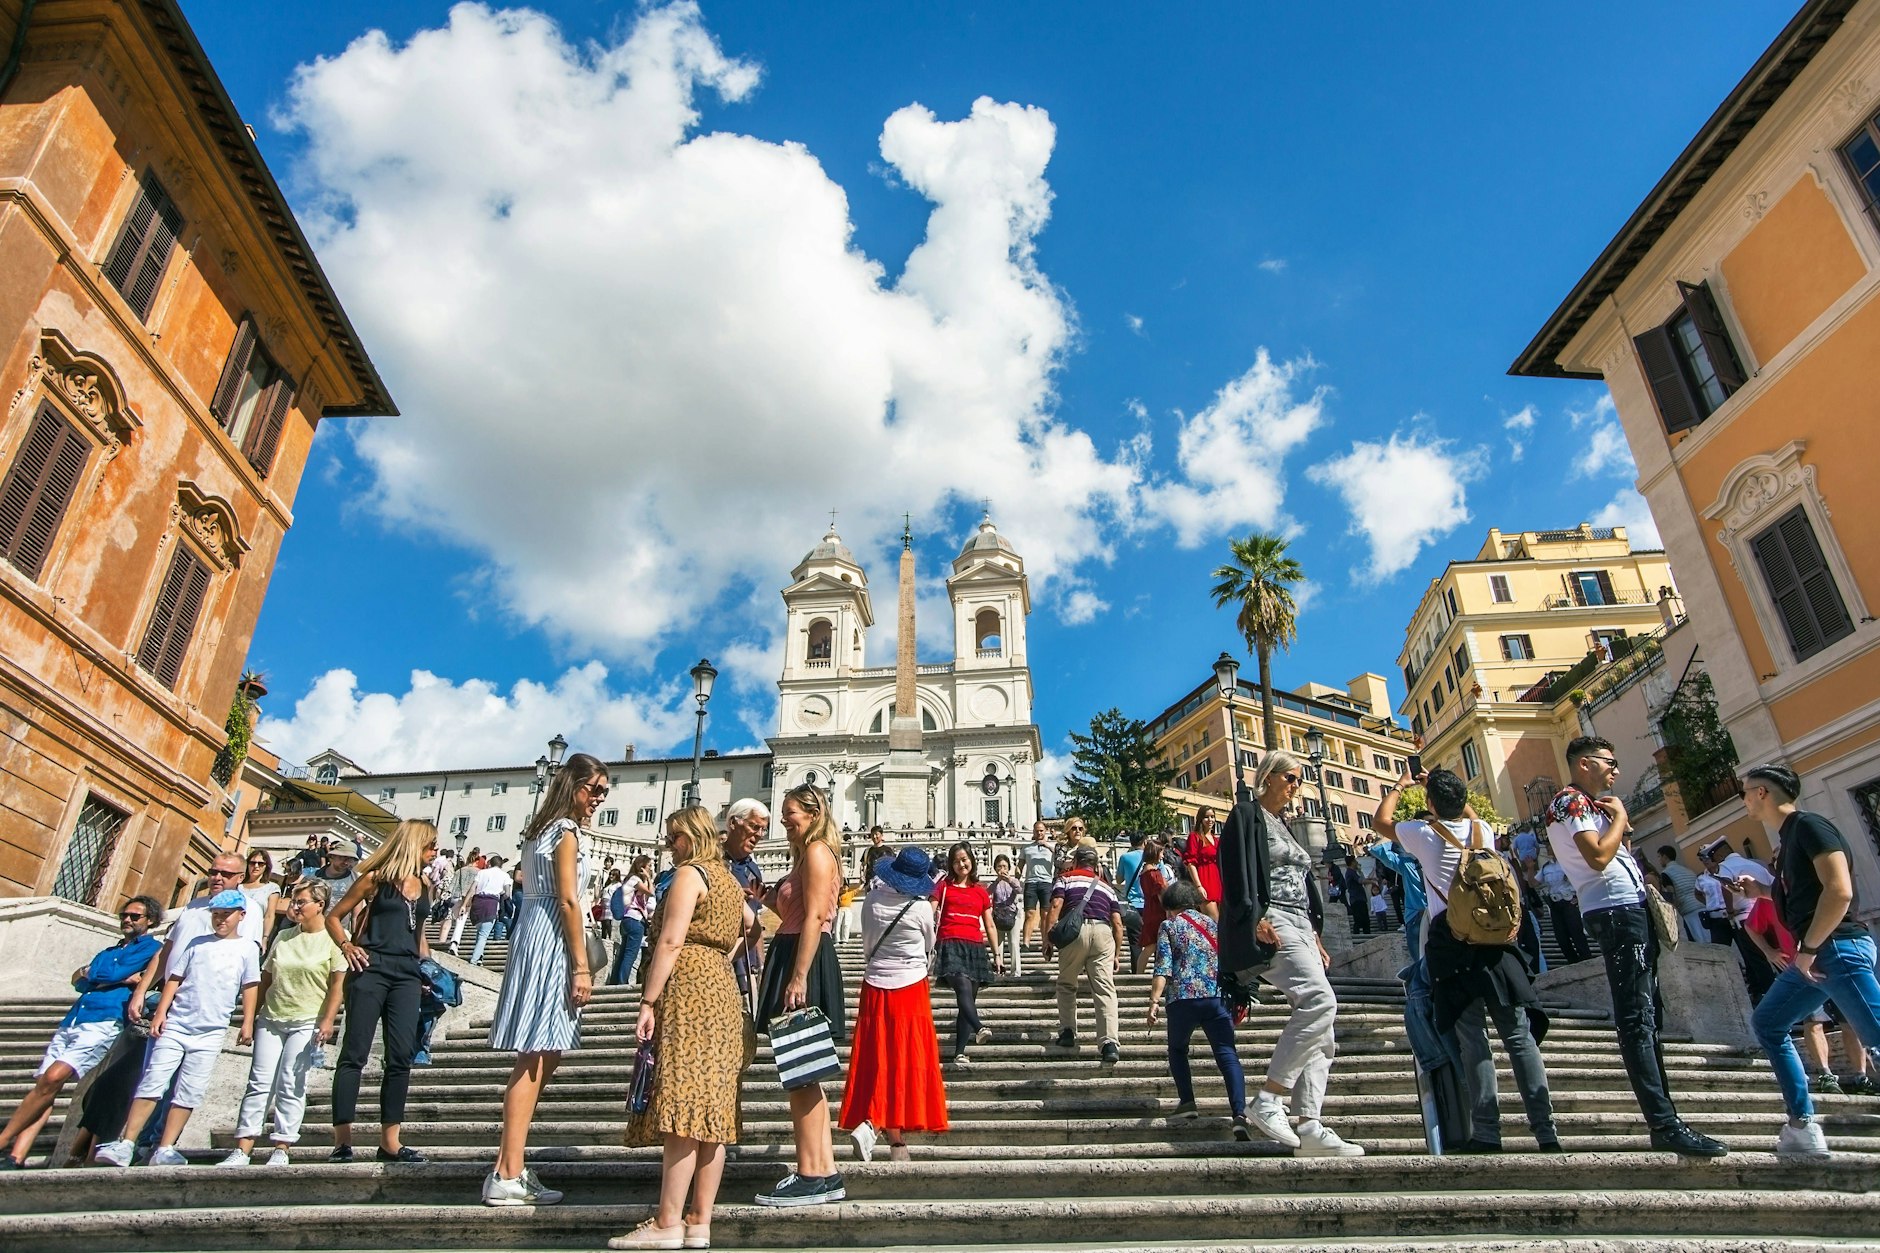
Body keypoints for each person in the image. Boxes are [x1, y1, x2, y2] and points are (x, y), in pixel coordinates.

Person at [1544, 736, 1726, 1157]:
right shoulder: (1569, 803)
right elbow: (1596, 858)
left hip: (1628, 908)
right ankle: (1663, 1122)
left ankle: (1667, 1118)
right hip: (1613, 911)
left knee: (1646, 1013)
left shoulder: (1590, 806)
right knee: (1636, 1016)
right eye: (1611, 762)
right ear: (1585, 764)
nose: (1616, 770)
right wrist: (1622, 819)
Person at [1372, 769, 1560, 1154]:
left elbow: (1381, 822)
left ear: (1430, 805)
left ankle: (1488, 1132)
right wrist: (1443, 790)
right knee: (1519, 1038)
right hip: (1496, 945)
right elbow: (1470, 815)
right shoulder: (1483, 833)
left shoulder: (1423, 835)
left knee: (1474, 1041)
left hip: (1453, 945)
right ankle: (1546, 1131)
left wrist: (1400, 787)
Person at [614, 806, 754, 1249]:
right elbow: (753, 929)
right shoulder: (730, 881)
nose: (669, 844)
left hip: (690, 987)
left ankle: (667, 1222)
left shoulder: (691, 875)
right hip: (723, 990)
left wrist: (648, 1000)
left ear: (690, 837)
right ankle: (699, 1223)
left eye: (674, 836)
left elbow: (672, 940)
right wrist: (724, 953)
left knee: (682, 1102)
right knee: (714, 1109)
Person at [1218, 753, 1361, 1157]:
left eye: (1300, 780)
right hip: (1273, 918)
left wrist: (1315, 933)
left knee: (1324, 1027)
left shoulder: (1285, 825)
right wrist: (1254, 916)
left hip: (1301, 924)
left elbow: (1302, 879)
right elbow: (1234, 871)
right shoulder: (1247, 814)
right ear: (1268, 778)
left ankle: (1310, 1124)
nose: (1297, 786)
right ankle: (1269, 1096)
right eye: (1291, 777)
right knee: (1320, 1001)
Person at [484, 753, 608, 1205]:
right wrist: (580, 965)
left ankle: (507, 1166)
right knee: (536, 1056)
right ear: (571, 784)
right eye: (592, 789)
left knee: (542, 1054)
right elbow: (571, 902)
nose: (596, 799)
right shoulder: (566, 833)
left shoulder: (540, 832)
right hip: (553, 938)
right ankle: (507, 1172)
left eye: (603, 794)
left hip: (535, 931)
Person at [1738, 765, 1880, 1157]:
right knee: (1768, 1023)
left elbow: (1839, 891)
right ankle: (1802, 1127)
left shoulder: (1810, 826)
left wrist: (1809, 948)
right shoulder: (1787, 843)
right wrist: (1762, 891)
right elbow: (1805, 894)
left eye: (1745, 792)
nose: (1744, 799)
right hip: (1818, 955)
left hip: (1835, 949)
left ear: (1763, 793)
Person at [93, 890, 258, 1167]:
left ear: (241, 916)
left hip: (211, 1030)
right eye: (216, 914)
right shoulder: (197, 943)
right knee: (153, 1080)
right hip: (178, 1024)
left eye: (226, 915)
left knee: (190, 1090)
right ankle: (127, 1142)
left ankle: (165, 1147)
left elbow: (250, 985)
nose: (220, 920)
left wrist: (248, 1021)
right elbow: (174, 979)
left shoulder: (248, 949)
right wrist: (160, 1012)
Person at [0, 896, 162, 1168]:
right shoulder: (108, 951)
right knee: (46, 1086)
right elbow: (79, 979)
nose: (128, 920)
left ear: (150, 921)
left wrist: (100, 975)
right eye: (125, 915)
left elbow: (98, 975)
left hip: (106, 1019)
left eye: (135, 916)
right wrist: (116, 977)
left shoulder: (151, 948)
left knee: (53, 1077)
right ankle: (17, 1156)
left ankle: (3, 1140)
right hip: (75, 1018)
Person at [754, 783, 845, 1207]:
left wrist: (798, 976)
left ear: (811, 813)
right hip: (795, 951)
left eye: (790, 813)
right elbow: (798, 911)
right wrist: (768, 898)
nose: (784, 820)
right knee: (804, 1073)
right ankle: (824, 1171)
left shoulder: (815, 852)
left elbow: (814, 917)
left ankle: (810, 1173)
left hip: (802, 956)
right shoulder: (809, 854)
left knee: (801, 1075)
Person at [326, 819, 438, 1164]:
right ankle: (342, 1141)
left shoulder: (425, 886)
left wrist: (429, 971)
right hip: (370, 967)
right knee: (354, 1053)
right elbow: (335, 917)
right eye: (430, 846)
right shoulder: (374, 880)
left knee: (401, 1055)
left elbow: (418, 934)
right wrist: (346, 945)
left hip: (406, 973)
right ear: (414, 845)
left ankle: (390, 1141)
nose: (434, 853)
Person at [221, 880, 347, 1167]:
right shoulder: (284, 936)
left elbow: (338, 984)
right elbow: (266, 978)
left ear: (320, 905)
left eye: (302, 901)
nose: (295, 906)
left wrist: (328, 1021)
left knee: (291, 1082)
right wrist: (249, 1020)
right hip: (272, 1017)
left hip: (307, 1019)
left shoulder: (334, 938)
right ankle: (243, 1147)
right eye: (294, 900)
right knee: (258, 1082)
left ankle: (282, 1145)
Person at [840, 846, 947, 1165]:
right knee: (906, 1057)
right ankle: (889, 1133)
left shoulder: (872, 900)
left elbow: (868, 944)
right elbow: (929, 945)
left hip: (875, 984)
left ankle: (880, 1126)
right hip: (911, 986)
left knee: (876, 1057)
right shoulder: (921, 910)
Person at [1147, 879, 1249, 1136]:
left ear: (1171, 906)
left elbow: (1163, 967)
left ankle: (1188, 1101)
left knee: (1178, 1049)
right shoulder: (1213, 925)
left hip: (1182, 999)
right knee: (1227, 1054)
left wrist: (1154, 1001)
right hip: (1216, 998)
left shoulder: (1169, 925)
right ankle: (1239, 1114)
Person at [1041, 844, 1123, 1068]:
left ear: (1075, 861)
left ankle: (1068, 1031)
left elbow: (1056, 906)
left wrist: (1048, 939)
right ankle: (1109, 1043)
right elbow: (1117, 923)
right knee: (1105, 989)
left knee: (1067, 984)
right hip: (1103, 932)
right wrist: (1116, 953)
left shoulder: (1065, 879)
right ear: (1096, 865)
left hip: (1074, 934)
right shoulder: (1107, 888)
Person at [932, 843, 1002, 1065]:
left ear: (971, 860)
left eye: (964, 859)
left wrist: (997, 955)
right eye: (956, 861)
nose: (961, 864)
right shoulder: (943, 887)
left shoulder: (981, 891)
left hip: (974, 946)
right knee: (961, 986)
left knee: (968, 999)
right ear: (951, 865)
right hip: (950, 942)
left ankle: (960, 1052)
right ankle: (980, 1027)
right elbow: (927, 913)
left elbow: (990, 925)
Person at [725, 799, 770, 1007]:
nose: (759, 835)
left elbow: (757, 919)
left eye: (763, 830)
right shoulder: (713, 863)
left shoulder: (754, 871)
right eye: (754, 826)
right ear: (734, 823)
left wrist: (761, 964)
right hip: (721, 961)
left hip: (748, 963)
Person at [1365, 833, 1428, 965]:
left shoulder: (1409, 864)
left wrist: (1394, 830)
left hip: (1417, 915)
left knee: (1421, 966)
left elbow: (1378, 849)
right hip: (1443, 915)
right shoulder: (1442, 860)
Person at [1536, 850, 1591, 965]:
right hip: (1555, 904)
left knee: (1577, 934)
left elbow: (1584, 878)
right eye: (1547, 845)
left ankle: (1586, 960)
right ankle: (1572, 961)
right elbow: (1533, 883)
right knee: (1561, 938)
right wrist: (1530, 868)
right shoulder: (1546, 866)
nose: (1549, 848)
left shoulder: (1568, 862)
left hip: (1569, 901)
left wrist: (1579, 897)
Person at [1134, 836, 1176, 975]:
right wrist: (1169, 912)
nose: (1163, 856)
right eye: (1161, 852)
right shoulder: (1155, 874)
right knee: (1152, 946)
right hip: (1158, 912)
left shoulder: (1143, 873)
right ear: (1155, 853)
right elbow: (1161, 895)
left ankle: (1141, 973)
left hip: (1148, 911)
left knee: (1151, 946)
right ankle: (1141, 974)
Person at [614, 855, 656, 986]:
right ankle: (622, 983)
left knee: (623, 953)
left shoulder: (630, 880)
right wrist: (649, 878)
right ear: (641, 866)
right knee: (630, 954)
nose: (651, 869)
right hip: (635, 920)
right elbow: (651, 892)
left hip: (627, 920)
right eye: (649, 866)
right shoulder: (635, 880)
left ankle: (616, 981)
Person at [1654, 846, 1707, 944]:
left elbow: (1671, 893)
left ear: (1665, 857)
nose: (1658, 860)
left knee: (1701, 943)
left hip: (1689, 912)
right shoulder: (1688, 871)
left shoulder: (1666, 874)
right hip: (1703, 907)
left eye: (1659, 857)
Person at [1018, 821, 1057, 948]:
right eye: (1037, 830)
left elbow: (1061, 858)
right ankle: (1026, 943)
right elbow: (1020, 866)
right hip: (1031, 883)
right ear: (1033, 832)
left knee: (1045, 914)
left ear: (1045, 831)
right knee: (1029, 913)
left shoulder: (1053, 847)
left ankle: (1045, 941)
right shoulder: (1026, 848)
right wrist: (1015, 878)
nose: (1039, 833)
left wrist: (1047, 845)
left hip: (1046, 883)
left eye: (1041, 830)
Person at [469, 855, 513, 967]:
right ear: (501, 864)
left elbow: (473, 888)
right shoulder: (505, 875)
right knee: (483, 935)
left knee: (480, 932)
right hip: (491, 904)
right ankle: (474, 960)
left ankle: (479, 957)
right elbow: (507, 893)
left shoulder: (482, 873)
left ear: (490, 863)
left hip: (478, 902)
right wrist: (501, 895)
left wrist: (466, 903)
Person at [1183, 808, 1223, 920]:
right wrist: (1199, 886)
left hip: (1217, 881)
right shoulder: (1194, 837)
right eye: (1206, 817)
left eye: (1212, 816)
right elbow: (1191, 863)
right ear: (1200, 819)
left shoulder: (1216, 840)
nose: (1210, 820)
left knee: (1222, 923)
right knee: (1214, 921)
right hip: (1204, 880)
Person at [989, 854, 1024, 977]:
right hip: (998, 916)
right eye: (999, 867)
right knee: (998, 945)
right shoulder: (994, 883)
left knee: (1014, 943)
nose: (1002, 869)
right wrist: (997, 881)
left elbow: (1019, 890)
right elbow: (987, 892)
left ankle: (1016, 971)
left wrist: (1009, 880)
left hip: (1012, 915)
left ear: (1009, 867)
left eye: (1004, 866)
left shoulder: (1014, 881)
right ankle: (999, 969)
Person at [445, 848, 484, 954]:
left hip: (456, 897)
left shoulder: (460, 870)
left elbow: (451, 886)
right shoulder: (479, 873)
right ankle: (454, 943)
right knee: (460, 921)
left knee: (456, 920)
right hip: (468, 899)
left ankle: (450, 941)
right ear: (477, 861)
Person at [239, 850, 284, 940]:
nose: (256, 866)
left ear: (266, 866)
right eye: (252, 863)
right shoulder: (238, 885)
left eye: (260, 864)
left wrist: (265, 937)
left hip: (254, 933)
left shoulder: (272, 888)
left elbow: (269, 915)